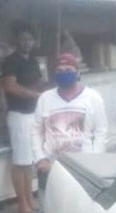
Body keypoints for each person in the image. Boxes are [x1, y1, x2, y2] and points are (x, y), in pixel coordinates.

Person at [32, 53, 107, 197]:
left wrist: (94, 159)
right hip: (51, 166)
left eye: (68, 70)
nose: (63, 74)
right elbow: (36, 130)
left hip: (83, 168)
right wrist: (40, 158)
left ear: (78, 73)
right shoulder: (45, 98)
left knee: (80, 208)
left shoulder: (93, 98)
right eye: (59, 71)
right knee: (50, 210)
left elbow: (101, 131)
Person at [1, 23, 42, 213]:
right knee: (20, 161)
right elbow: (10, 87)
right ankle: (21, 202)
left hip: (33, 114)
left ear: (34, 42)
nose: (26, 42)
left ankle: (29, 197)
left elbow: (39, 82)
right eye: (23, 38)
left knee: (30, 160)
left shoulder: (33, 61)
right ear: (17, 40)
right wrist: (35, 94)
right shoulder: (10, 61)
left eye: (30, 39)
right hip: (18, 115)